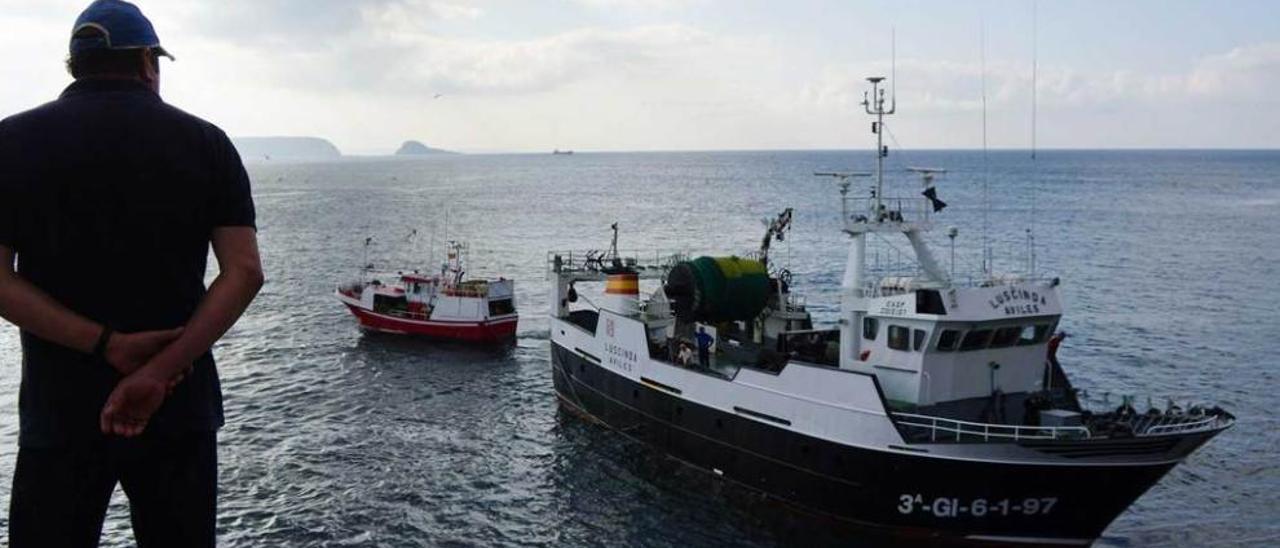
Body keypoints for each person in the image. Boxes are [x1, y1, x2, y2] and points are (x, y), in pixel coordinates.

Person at [0, 1, 263, 546]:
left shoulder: (11, 142)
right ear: (148, 62)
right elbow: (244, 273)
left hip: (59, 414)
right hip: (178, 407)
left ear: (75, 67)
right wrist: (157, 371)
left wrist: (106, 344)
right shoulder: (205, 143)